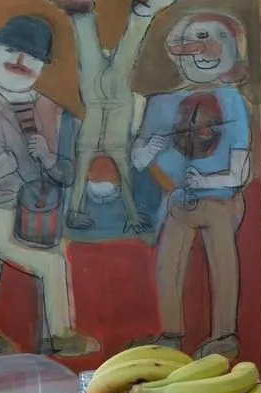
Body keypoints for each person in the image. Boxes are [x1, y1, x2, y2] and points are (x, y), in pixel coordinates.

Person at [0, 15, 97, 356]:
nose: (20, 60)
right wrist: (10, 168)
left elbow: (67, 173)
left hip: (38, 212)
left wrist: (48, 159)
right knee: (50, 263)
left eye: (32, 56)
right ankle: (60, 336)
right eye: (10, 50)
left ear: (41, 67)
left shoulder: (51, 110)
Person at [131, 11, 252, 359]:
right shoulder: (160, 103)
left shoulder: (232, 101)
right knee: (167, 264)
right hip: (179, 199)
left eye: (218, 38)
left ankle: (224, 335)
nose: (206, 47)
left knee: (221, 257)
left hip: (221, 198)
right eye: (197, 37)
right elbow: (138, 160)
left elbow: (240, 171)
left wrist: (211, 180)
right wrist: (149, 148)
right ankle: (171, 333)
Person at [55, 0, 177, 233]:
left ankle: (86, 15)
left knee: (95, 59)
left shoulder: (86, 150)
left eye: (96, 179)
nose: (102, 174)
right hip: (115, 94)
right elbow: (126, 185)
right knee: (117, 60)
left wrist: (74, 213)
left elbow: (79, 185)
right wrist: (132, 216)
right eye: (108, 179)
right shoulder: (118, 153)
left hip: (95, 96)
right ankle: (140, 14)